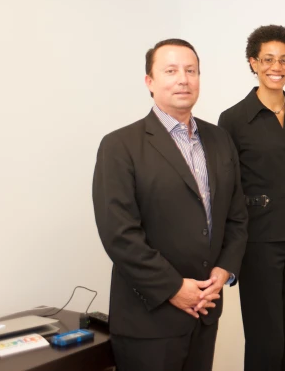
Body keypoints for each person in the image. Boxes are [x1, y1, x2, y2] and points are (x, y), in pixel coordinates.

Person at [93, 39, 248, 371]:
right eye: (171, 70)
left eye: (191, 71)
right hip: (149, 321)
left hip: (205, 311)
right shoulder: (120, 146)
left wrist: (224, 271)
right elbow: (119, 234)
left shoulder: (220, 140)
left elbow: (236, 216)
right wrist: (174, 288)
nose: (183, 79)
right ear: (149, 82)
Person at [218, 25, 285, 371]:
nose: (277, 67)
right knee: (265, 336)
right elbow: (227, 189)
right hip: (259, 241)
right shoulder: (232, 120)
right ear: (253, 63)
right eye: (268, 59)